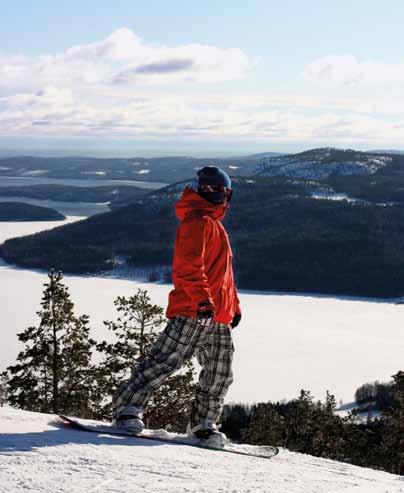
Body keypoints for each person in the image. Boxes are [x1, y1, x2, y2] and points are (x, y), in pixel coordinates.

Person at [113, 166, 241, 447]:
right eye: (207, 189)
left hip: (219, 314)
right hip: (194, 309)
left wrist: (235, 307)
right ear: (199, 190)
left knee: (220, 373)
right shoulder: (196, 222)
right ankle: (127, 410)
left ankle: (203, 426)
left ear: (227, 193)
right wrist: (202, 300)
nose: (212, 194)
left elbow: (224, 275)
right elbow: (188, 268)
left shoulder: (214, 224)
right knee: (165, 360)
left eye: (218, 189)